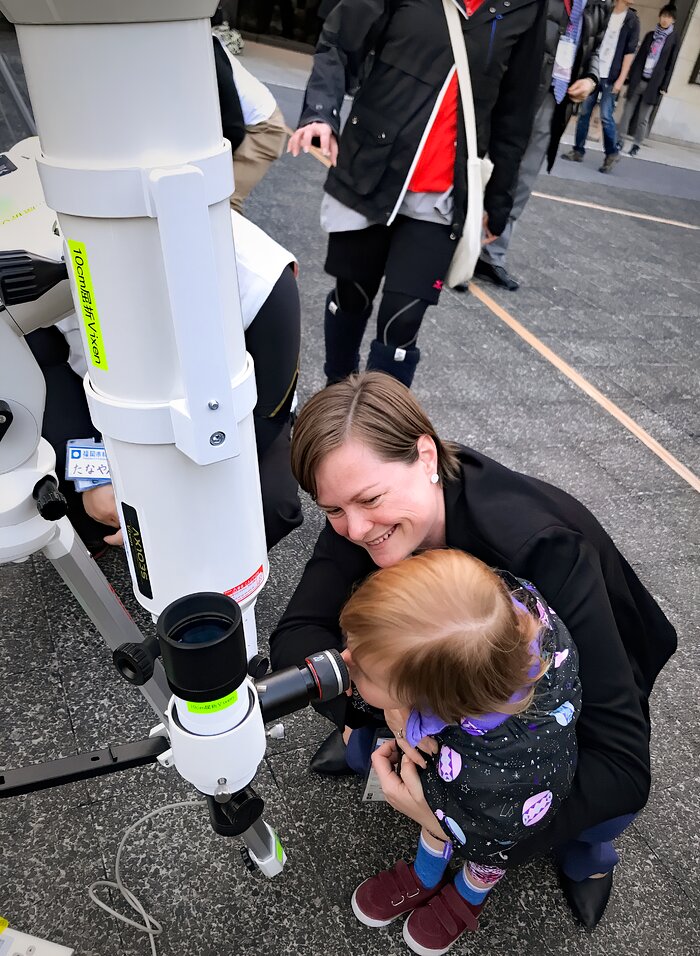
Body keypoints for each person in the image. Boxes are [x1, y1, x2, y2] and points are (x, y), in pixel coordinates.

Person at [268, 372, 677, 928]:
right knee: (372, 733)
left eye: (368, 500)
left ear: (425, 455)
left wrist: (451, 822)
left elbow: (623, 768)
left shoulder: (542, 547)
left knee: (595, 815)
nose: (356, 529)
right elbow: (296, 634)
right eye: (332, 510)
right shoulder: (366, 510)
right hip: (451, 691)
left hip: (578, 699)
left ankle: (591, 860)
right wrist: (382, 708)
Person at [286, 0, 547, 387]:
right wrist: (320, 113)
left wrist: (498, 201)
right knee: (351, 298)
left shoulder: (525, 6)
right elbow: (341, 42)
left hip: (442, 195)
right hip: (370, 168)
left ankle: (381, 435)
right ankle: (334, 400)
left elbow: (517, 108)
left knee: (403, 322)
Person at [341, 549, 581, 952]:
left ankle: (469, 892)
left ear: (435, 704)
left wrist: (430, 813)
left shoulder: (501, 771)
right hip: (468, 758)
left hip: (507, 806)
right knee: (437, 794)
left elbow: (492, 828)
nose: (345, 659)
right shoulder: (489, 616)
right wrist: (397, 710)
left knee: (487, 856)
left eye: (362, 670)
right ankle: (428, 873)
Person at [28, 212, 303, 556]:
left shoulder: (255, 268)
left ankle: (206, 577)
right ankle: (109, 541)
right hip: (95, 415)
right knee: (63, 498)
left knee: (268, 505)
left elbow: (265, 413)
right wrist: (93, 477)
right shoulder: (36, 250)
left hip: (226, 421)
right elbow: (44, 370)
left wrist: (171, 499)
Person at [475, 0, 612, 291]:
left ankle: (492, 254)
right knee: (488, 163)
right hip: (515, 87)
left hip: (555, 97)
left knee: (523, 178)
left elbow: (596, 49)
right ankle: (461, 246)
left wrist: (591, 79)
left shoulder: (600, 5)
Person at [212, 10, 288, 212]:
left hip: (263, 129)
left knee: (222, 204)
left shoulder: (206, 53)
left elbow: (233, 128)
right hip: (239, 121)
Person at [560, 0, 640, 173]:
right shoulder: (605, 11)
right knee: (584, 113)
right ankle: (578, 150)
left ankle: (612, 153)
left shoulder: (632, 19)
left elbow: (629, 52)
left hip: (612, 76)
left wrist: (621, 79)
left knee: (605, 115)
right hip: (594, 72)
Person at [619, 4, 679, 157]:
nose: (665, 19)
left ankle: (636, 145)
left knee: (643, 118)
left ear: (673, 20)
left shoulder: (673, 40)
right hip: (639, 79)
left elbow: (670, 65)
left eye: (669, 17)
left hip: (653, 84)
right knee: (627, 112)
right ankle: (620, 140)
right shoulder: (650, 35)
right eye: (663, 16)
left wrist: (664, 85)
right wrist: (630, 77)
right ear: (659, 17)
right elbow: (638, 59)